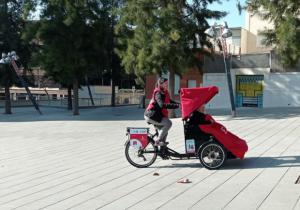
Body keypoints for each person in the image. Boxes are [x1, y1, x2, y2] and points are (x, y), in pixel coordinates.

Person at [144, 77, 179, 146]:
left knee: (165, 132)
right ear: (161, 84)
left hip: (156, 115)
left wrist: (178, 104)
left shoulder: (164, 92)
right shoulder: (158, 93)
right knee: (168, 123)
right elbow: (161, 105)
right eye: (165, 83)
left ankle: (163, 151)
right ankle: (157, 141)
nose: (167, 84)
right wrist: (174, 106)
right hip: (151, 115)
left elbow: (169, 101)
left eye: (167, 83)